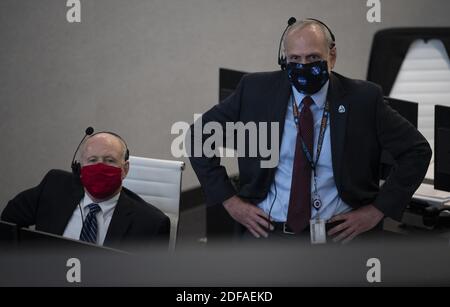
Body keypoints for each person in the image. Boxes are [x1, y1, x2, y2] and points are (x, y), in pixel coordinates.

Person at [189, 19, 432, 243]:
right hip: (268, 232)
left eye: (313, 57)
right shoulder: (256, 90)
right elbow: (198, 136)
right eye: (295, 59)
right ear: (284, 59)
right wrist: (230, 201)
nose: (303, 66)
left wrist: (378, 209)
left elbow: (416, 151)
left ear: (332, 55)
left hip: (340, 235)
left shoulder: (363, 99)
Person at [1, 132, 170, 251]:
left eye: (109, 160)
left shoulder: (151, 223)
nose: (99, 166)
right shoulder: (54, 186)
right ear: (80, 167)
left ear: (124, 169)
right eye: (92, 160)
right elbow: (8, 221)